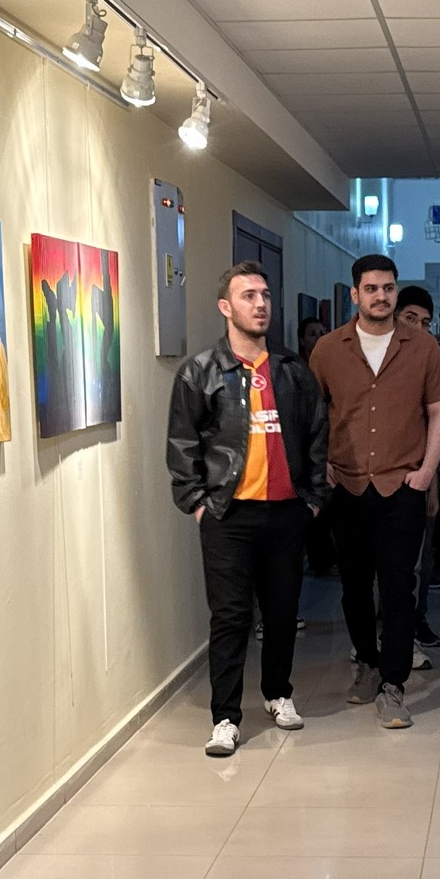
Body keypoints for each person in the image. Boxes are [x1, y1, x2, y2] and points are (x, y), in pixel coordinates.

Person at [167, 263, 329, 757]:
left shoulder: (292, 370)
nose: (260, 304)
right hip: (227, 514)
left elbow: (318, 433)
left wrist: (313, 499)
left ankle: (278, 693)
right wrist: (197, 503)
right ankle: (225, 717)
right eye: (248, 296)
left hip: (286, 513)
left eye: (265, 295)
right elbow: (182, 443)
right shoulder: (200, 371)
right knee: (230, 617)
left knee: (281, 613)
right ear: (226, 307)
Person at [307, 256, 440, 728]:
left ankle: (394, 684)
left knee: (397, 589)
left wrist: (427, 471)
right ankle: (367, 664)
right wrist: (320, 462)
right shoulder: (329, 349)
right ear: (355, 294)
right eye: (371, 288)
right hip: (347, 485)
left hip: (402, 485)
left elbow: (439, 410)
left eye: (388, 288)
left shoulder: (422, 347)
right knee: (353, 586)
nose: (381, 296)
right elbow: (312, 412)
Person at [394, 284, 440, 651]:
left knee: (421, 559)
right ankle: (383, 634)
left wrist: (432, 481)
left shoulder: (430, 358)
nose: (418, 327)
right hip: (378, 477)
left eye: (425, 322)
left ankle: (416, 620)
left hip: (421, 474)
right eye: (410, 318)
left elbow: (436, 423)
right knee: (389, 565)